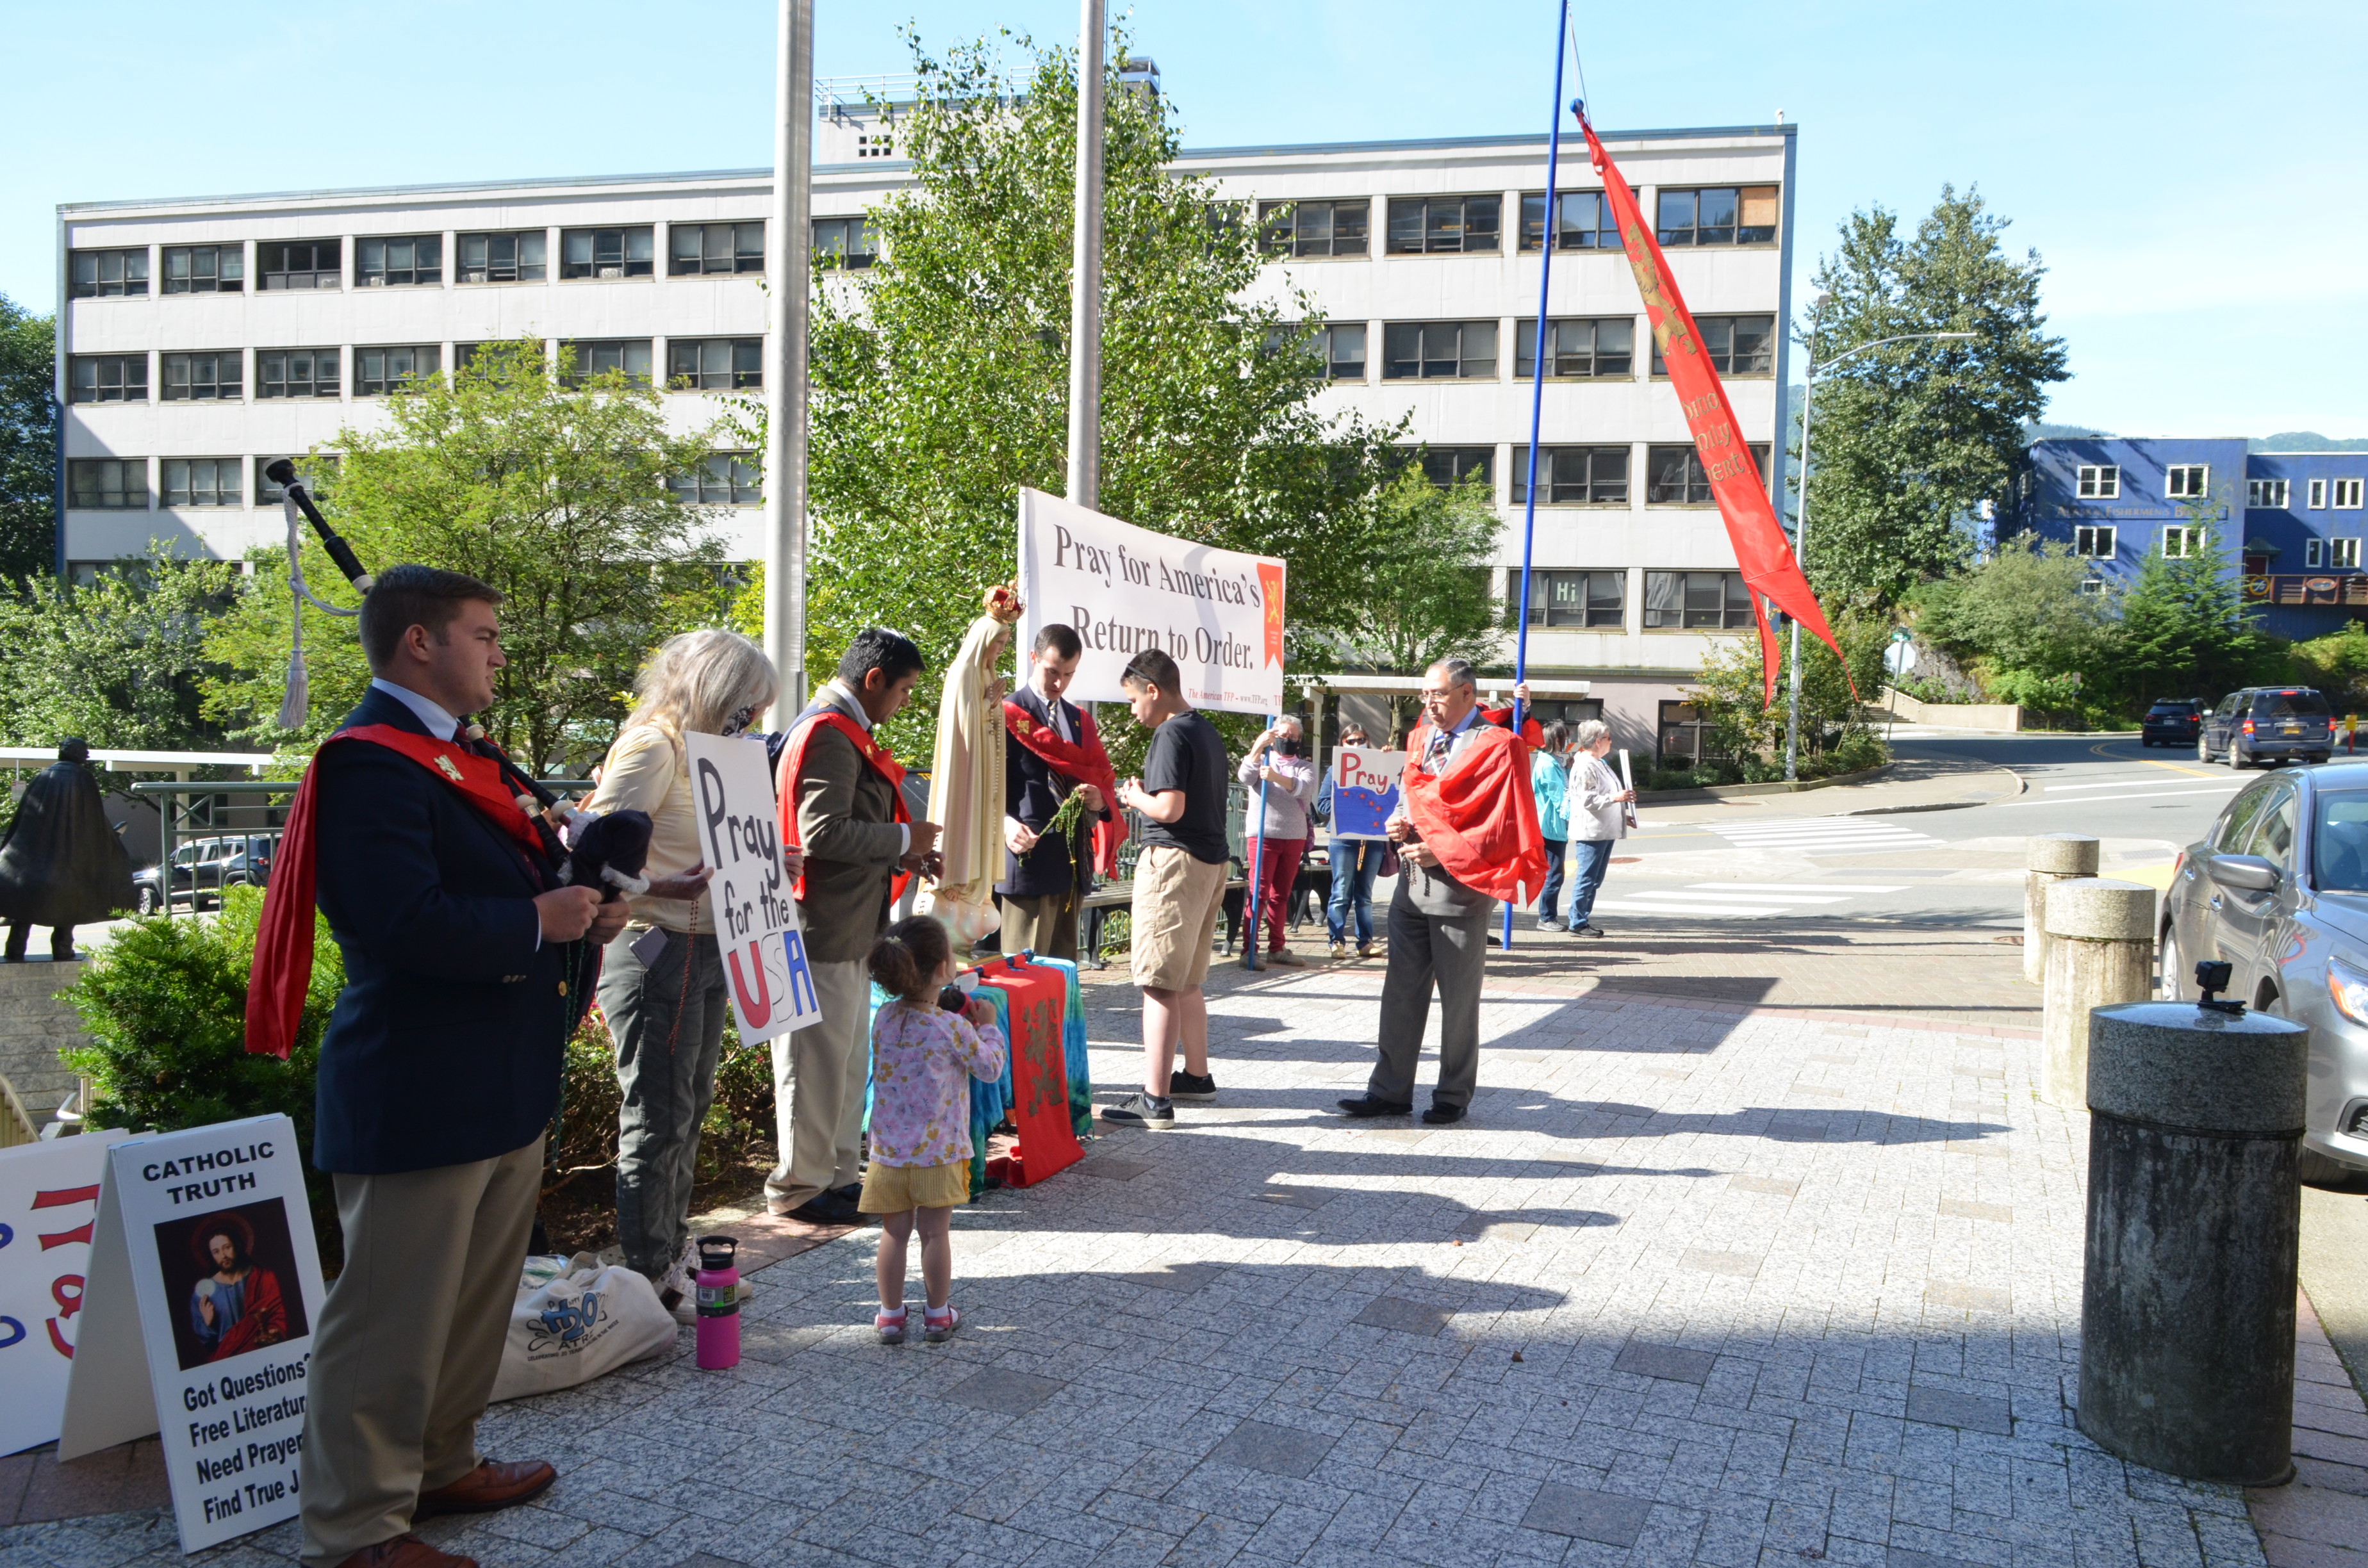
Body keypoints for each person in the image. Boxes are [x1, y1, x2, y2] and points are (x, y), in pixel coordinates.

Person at [258, 566, 698, 1568]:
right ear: (421, 644)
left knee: (470, 1300)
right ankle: (357, 1526)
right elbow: (390, 923)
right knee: (386, 1319)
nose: (499, 651)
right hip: (418, 1083)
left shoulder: (464, 756)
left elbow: (522, 881)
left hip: (499, 1077)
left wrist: (585, 910)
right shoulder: (369, 763)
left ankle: (440, 1464)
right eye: (483, 634)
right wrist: (532, 921)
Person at [584, 629, 783, 1314]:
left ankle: (669, 1256)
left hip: (702, 945)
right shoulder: (655, 746)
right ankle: (650, 1274)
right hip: (654, 948)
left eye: (756, 710)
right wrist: (662, 890)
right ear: (715, 689)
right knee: (660, 1114)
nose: (752, 720)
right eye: (746, 705)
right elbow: (592, 857)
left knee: (687, 1110)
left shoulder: (705, 752)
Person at [769, 628, 942, 1226]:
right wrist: (903, 838)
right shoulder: (827, 734)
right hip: (818, 926)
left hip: (844, 924)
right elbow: (821, 834)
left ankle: (837, 1173)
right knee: (814, 1065)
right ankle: (801, 1184)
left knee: (842, 1061)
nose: (905, 703)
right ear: (874, 681)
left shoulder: (842, 732)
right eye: (904, 690)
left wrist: (903, 854)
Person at [1336, 657, 1545, 1127]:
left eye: (1439, 694)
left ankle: (1453, 1095)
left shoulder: (1499, 745)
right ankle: (1389, 1091)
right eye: (1425, 694)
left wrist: (1445, 851)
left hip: (1462, 889)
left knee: (1458, 999)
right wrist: (1399, 822)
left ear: (1468, 694)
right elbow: (1414, 796)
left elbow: (1502, 825)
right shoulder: (1420, 739)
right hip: (1412, 885)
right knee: (1400, 993)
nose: (1430, 703)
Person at [860, 913, 1006, 1344]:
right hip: (939, 1153)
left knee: (894, 1234)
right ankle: (938, 1314)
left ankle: (889, 1315)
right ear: (944, 969)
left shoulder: (884, 1018)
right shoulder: (953, 1027)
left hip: (888, 1152)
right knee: (935, 1234)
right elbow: (989, 1068)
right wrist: (990, 1027)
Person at [1103, 648, 1229, 1129]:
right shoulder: (1205, 729)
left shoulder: (1171, 732)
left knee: (1157, 981)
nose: (1134, 710)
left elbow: (1170, 808)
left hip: (1174, 863)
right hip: (1210, 862)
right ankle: (1196, 1077)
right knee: (1188, 979)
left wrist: (1135, 797)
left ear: (1153, 690)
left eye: (1134, 699)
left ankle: (1155, 1099)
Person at [998, 623, 1118, 961]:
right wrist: (1005, 824)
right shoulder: (1005, 712)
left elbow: (1102, 782)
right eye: (1052, 671)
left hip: (1072, 865)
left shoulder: (1079, 720)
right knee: (1023, 972)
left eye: (1068, 675)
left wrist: (1100, 800)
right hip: (1027, 860)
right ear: (1033, 657)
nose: (1058, 683)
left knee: (1063, 973)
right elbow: (985, 787)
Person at [0, 737, 135, 960]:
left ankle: (15, 949)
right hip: (71, 867)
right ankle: (63, 949)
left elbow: (22, 821)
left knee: (24, 910)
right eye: (85, 752)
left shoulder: (43, 776)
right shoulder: (83, 779)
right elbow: (95, 820)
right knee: (70, 907)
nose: (88, 756)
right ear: (75, 754)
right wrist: (112, 839)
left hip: (32, 866)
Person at [1238, 715, 1317, 965]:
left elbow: (1303, 790)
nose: (1289, 740)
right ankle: (1249, 950)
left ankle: (1277, 947)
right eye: (1283, 736)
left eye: (1294, 737)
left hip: (1293, 836)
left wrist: (1276, 778)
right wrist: (1257, 748)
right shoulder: (1261, 759)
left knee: (1281, 895)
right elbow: (1244, 777)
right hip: (1263, 835)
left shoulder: (1305, 766)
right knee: (1258, 893)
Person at [1320, 723, 1386, 961]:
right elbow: (1323, 804)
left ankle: (1365, 942)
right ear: (1342, 744)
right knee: (1341, 891)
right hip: (1343, 837)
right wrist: (1351, 806)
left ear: (1368, 741)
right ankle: (1336, 941)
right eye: (1351, 741)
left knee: (1364, 894)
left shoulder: (1381, 767)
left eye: (1361, 740)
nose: (1357, 745)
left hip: (1373, 839)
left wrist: (1388, 761)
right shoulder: (1335, 771)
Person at [1565, 719, 1634, 937]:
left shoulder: (1599, 763)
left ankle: (1581, 918)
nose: (1610, 742)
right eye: (1608, 738)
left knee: (1594, 879)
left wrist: (1623, 816)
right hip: (1591, 832)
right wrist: (1617, 798)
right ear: (1597, 741)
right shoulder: (1586, 765)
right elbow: (1589, 800)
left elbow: (1604, 797)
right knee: (1587, 878)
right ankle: (1577, 922)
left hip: (1603, 829)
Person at [187, 1216, 287, 1363]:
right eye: (216, 1252)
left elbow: (278, 1315)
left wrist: (274, 1333)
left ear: (237, 1246)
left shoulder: (263, 1278)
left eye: (227, 1247)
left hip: (264, 1355)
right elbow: (203, 1342)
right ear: (211, 1256)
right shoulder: (203, 1293)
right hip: (227, 1361)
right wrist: (207, 1324)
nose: (223, 1255)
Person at [1531, 723, 1573, 932]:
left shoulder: (1551, 762)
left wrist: (1568, 769)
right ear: (1555, 739)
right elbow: (1561, 798)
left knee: (1554, 872)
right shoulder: (1547, 765)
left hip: (1551, 826)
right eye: (1563, 737)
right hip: (1551, 827)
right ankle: (1546, 918)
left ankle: (1548, 916)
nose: (1565, 742)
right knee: (1555, 873)